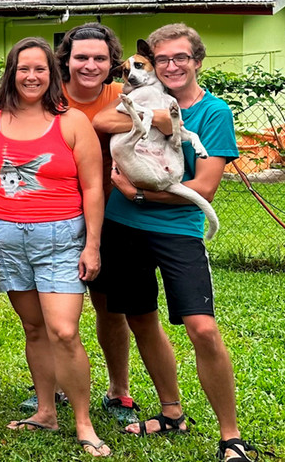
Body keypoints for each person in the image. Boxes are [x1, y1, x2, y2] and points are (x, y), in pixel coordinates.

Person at [92, 24, 257, 462]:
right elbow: (101, 120)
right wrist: (153, 118)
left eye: (180, 57)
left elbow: (203, 187)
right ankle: (171, 412)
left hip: (178, 227)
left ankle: (231, 435)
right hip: (123, 226)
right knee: (140, 318)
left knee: (202, 327)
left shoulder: (213, 112)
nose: (171, 66)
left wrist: (139, 194)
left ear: (197, 61)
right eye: (162, 59)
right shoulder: (144, 98)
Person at [0, 37, 111, 456]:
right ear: (11, 72)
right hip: (7, 236)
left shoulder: (71, 122)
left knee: (64, 331)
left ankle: (83, 422)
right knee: (34, 328)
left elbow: (93, 187)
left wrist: (93, 246)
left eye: (41, 69)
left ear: (53, 74)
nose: (31, 76)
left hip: (60, 238)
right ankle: (46, 412)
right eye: (23, 68)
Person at [22, 25, 141, 422]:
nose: (90, 65)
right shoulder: (47, 96)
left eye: (100, 58)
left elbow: (159, 119)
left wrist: (111, 121)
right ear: (65, 60)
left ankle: (118, 390)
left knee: (109, 308)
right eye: (81, 57)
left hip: (109, 216)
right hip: (51, 217)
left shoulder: (123, 95)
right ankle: (52, 386)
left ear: (113, 64)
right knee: (52, 315)